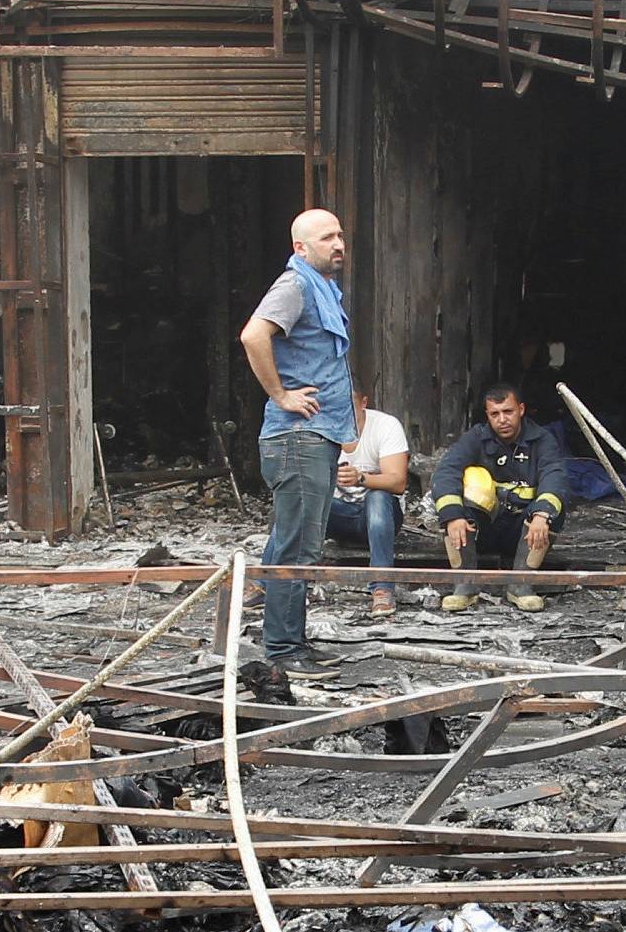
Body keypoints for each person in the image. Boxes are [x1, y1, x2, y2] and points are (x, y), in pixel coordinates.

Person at [239, 208, 353, 671]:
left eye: (341, 235)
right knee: (295, 547)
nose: (339, 243)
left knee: (299, 543)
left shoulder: (323, 289)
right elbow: (253, 336)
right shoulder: (296, 285)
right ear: (301, 248)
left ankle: (292, 642)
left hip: (315, 436)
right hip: (297, 436)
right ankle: (283, 650)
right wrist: (280, 394)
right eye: (327, 238)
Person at [430, 383, 569, 613]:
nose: (502, 419)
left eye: (508, 411)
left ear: (521, 410)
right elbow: (446, 472)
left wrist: (543, 513)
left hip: (523, 531)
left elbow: (555, 476)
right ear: (487, 415)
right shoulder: (476, 438)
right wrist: (452, 516)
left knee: (554, 509)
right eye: (495, 414)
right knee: (455, 508)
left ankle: (521, 585)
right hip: (485, 528)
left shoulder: (542, 440)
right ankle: (465, 585)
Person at [328, 383, 410, 618]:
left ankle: (382, 587)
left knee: (378, 496)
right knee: (295, 504)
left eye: (348, 408)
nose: (342, 415)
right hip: (339, 513)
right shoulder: (321, 429)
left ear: (363, 403)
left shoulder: (385, 425)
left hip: (380, 516)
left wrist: (361, 478)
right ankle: (267, 583)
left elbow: (398, 482)